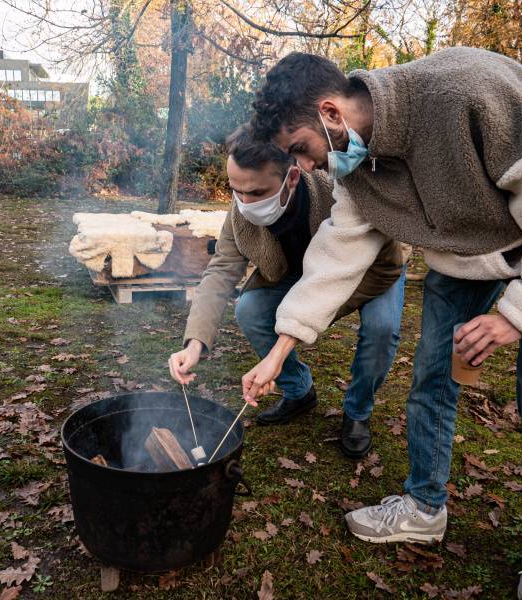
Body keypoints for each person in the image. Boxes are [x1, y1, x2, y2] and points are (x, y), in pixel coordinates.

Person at [243, 48, 522, 600]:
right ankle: (423, 505)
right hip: (464, 254)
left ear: (330, 112)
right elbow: (337, 256)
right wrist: (280, 348)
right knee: (430, 378)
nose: (304, 167)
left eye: (300, 149)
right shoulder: (358, 166)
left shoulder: (471, 93)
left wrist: (516, 317)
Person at [168, 124, 410, 458]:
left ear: (292, 178)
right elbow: (220, 271)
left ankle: (357, 412)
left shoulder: (340, 193)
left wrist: (287, 341)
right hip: (299, 269)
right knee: (250, 308)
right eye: (235, 190)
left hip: (375, 266)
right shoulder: (240, 212)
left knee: (382, 328)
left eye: (255, 193)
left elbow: (380, 269)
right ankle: (298, 391)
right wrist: (194, 344)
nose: (243, 202)